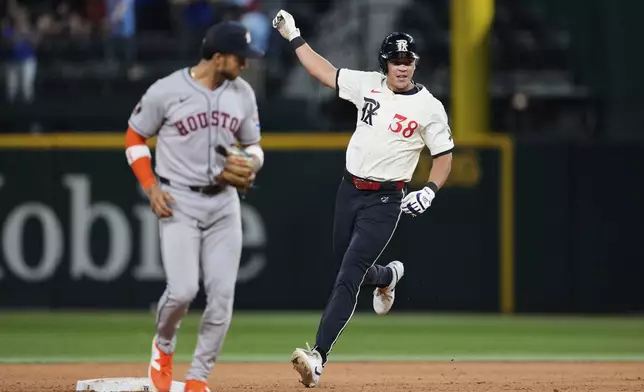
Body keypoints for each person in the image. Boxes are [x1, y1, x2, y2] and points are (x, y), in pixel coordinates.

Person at [272, 9, 454, 388]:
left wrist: (430, 190)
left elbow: (444, 157)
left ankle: (318, 356)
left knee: (348, 274)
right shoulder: (368, 84)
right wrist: (294, 35)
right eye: (395, 61)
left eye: (408, 60)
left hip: (386, 200)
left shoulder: (429, 108)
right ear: (384, 64)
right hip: (350, 189)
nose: (402, 67)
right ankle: (387, 276)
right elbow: (323, 72)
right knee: (346, 266)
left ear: (415, 64)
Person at [124, 21, 264, 392]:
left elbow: (253, 145)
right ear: (217, 57)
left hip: (223, 204)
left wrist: (252, 162)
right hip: (178, 199)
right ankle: (164, 345)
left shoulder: (243, 94)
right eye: (240, 58)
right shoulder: (167, 90)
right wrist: (150, 187)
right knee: (183, 290)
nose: (245, 65)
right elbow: (135, 135)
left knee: (221, 297)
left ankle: (198, 378)